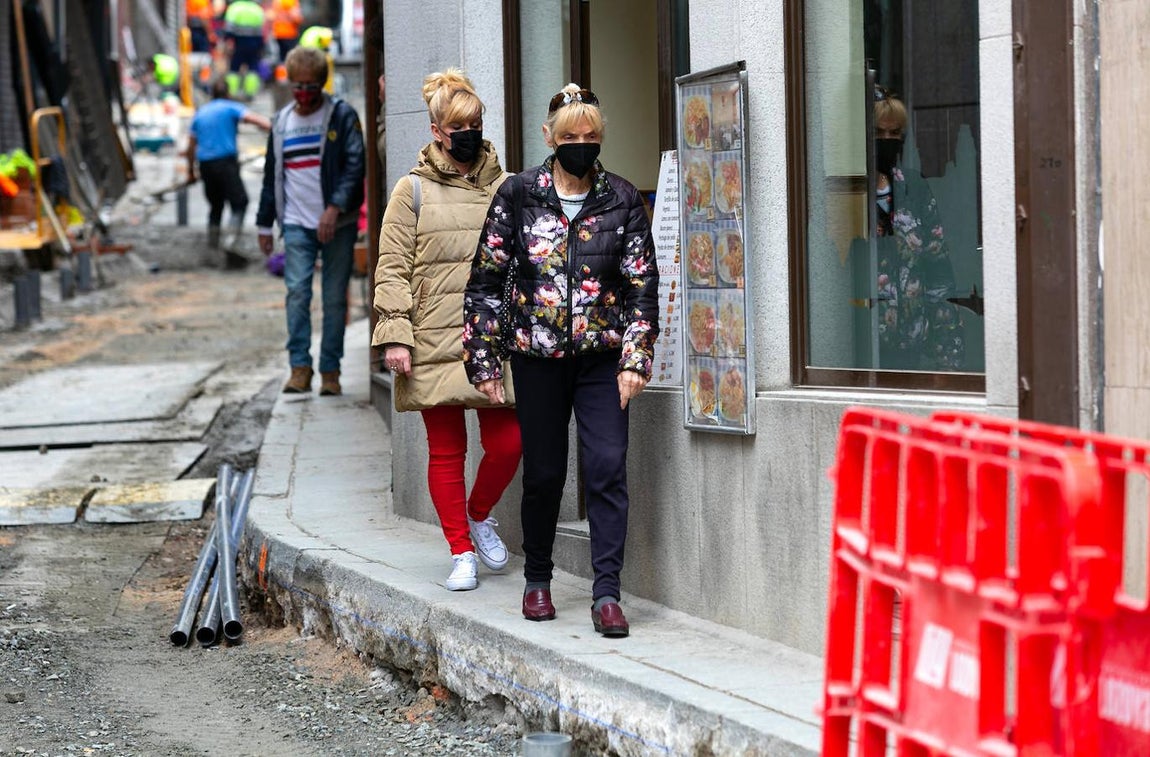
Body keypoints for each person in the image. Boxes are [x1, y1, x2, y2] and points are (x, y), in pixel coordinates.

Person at [462, 84, 660, 637]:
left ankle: (606, 593)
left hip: (602, 359)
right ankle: (539, 580)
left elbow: (643, 285)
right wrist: (484, 360)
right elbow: (485, 281)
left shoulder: (620, 198)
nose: (580, 145)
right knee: (545, 472)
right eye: (569, 137)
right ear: (549, 137)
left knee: (606, 467)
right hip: (537, 356)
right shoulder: (518, 194)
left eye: (590, 137)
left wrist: (634, 360)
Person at [373, 68, 521, 593]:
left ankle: (479, 515)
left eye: (476, 123)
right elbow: (392, 264)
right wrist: (395, 335)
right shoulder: (410, 190)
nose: (469, 133)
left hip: (494, 336)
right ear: (437, 130)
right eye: (459, 125)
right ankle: (460, 549)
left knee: (509, 443)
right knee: (445, 450)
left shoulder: (507, 187)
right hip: (432, 336)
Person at [256, 46, 365, 396]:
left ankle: (330, 370)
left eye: (310, 86)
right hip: (296, 223)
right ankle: (299, 367)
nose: (303, 93)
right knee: (297, 292)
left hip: (338, 224)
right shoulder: (282, 122)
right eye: (297, 85)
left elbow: (354, 166)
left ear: (322, 83)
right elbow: (272, 176)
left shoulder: (341, 117)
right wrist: (264, 223)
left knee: (334, 297)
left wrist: (334, 208)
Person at [871, 89, 965, 371]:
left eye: (894, 133)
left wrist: (947, 348)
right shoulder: (851, 191)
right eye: (879, 132)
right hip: (860, 345)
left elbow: (937, 266)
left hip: (909, 341)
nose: (887, 140)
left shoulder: (914, 189)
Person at [187, 76, 272, 260]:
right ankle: (231, 242)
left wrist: (190, 171)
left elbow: (191, 145)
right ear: (227, 93)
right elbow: (256, 120)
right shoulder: (230, 107)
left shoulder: (201, 112)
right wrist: (277, 130)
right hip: (225, 163)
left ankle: (212, 246)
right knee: (240, 201)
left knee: (215, 204)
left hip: (206, 165)